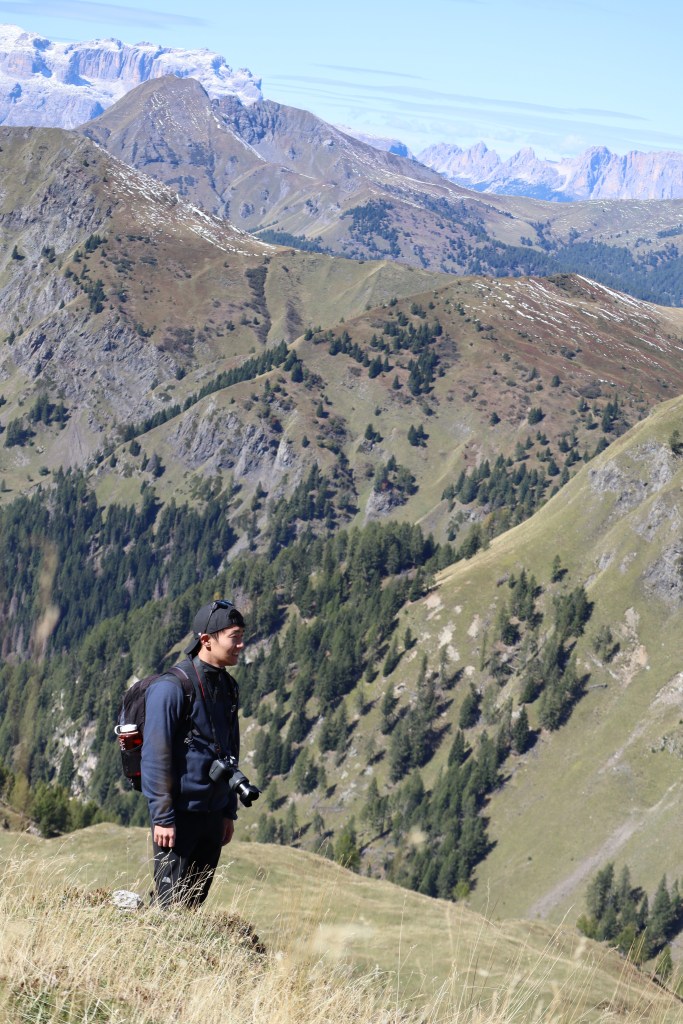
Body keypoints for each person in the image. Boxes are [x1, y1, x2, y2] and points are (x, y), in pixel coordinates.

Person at [141, 599, 246, 908]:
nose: (241, 644)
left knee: (193, 904)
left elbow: (229, 750)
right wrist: (162, 817)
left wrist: (228, 811)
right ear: (206, 640)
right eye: (234, 636)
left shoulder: (228, 687)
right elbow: (154, 755)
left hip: (213, 815)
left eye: (243, 636)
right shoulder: (172, 688)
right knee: (170, 905)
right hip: (179, 816)